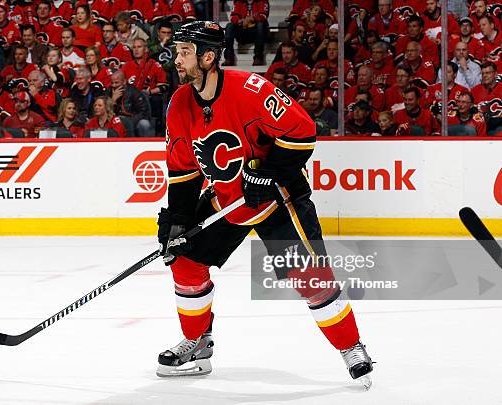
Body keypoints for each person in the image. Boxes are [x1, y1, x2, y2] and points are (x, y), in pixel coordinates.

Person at [156, 21, 373, 385]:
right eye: (177, 52)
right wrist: (177, 220)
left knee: (312, 277)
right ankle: (197, 341)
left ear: (208, 57)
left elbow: (302, 133)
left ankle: (351, 346)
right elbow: (182, 170)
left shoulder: (249, 90)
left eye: (184, 52)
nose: (176, 59)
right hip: (228, 200)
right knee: (185, 259)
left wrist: (269, 173)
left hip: (278, 199)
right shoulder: (179, 103)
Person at [106, 69, 153, 137]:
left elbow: (144, 113)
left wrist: (129, 122)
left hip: (132, 120)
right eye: (112, 83)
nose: (113, 85)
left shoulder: (134, 92)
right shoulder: (109, 91)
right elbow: (104, 112)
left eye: (116, 83)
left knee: (144, 124)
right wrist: (112, 101)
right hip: (114, 121)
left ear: (124, 81)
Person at [223, 0, 270, 66]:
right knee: (229, 26)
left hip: (257, 32)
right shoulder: (238, 1)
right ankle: (229, 57)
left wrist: (250, 19)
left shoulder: (262, 1)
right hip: (243, 31)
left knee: (261, 25)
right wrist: (240, 21)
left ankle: (258, 57)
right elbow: (233, 16)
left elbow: (263, 15)